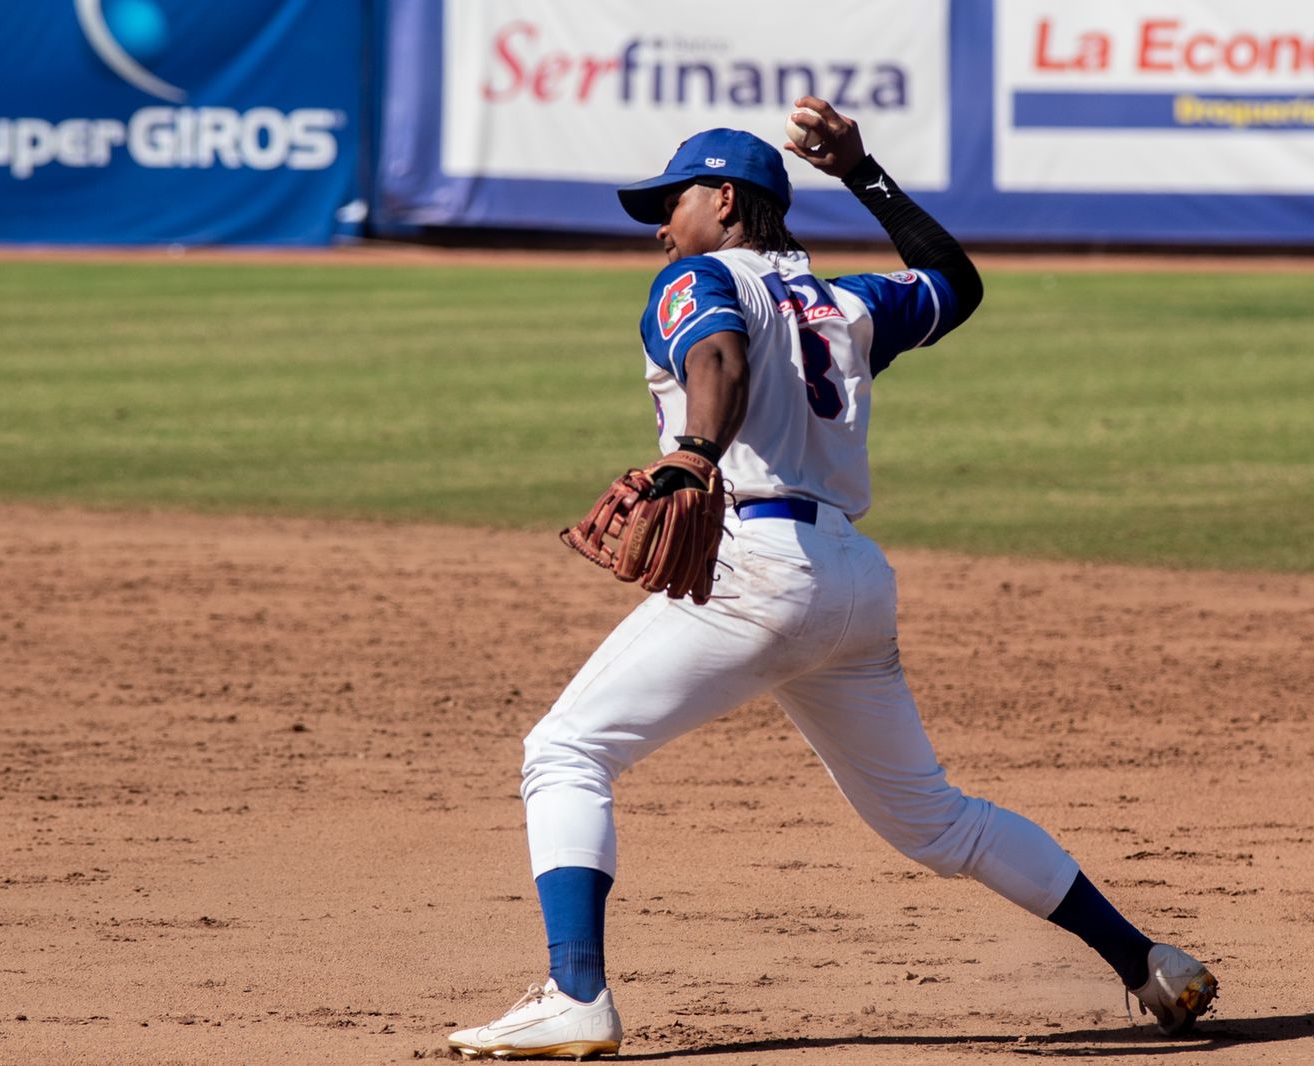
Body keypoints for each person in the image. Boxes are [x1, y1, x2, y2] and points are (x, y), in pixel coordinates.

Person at [448, 97, 1217, 1061]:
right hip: (850, 580)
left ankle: (577, 995)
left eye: (672, 201)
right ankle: (1146, 959)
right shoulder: (846, 302)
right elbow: (955, 282)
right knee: (937, 823)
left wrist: (692, 452)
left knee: (564, 752)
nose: (659, 224)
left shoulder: (698, 276)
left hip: (757, 570)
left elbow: (717, 354)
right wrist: (863, 172)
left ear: (723, 201)